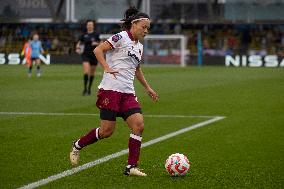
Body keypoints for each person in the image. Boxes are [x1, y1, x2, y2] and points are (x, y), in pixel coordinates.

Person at [70, 7, 158, 176]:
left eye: (148, 28)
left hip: (128, 93)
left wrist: (148, 87)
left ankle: (131, 167)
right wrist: (106, 67)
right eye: (144, 27)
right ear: (134, 24)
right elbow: (98, 50)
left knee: (138, 126)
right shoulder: (120, 37)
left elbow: (137, 69)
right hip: (110, 90)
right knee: (106, 131)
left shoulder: (139, 47)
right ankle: (77, 145)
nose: (146, 30)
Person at [76, 20, 100, 96]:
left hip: (94, 55)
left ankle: (89, 88)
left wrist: (96, 43)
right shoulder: (84, 34)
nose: (89, 26)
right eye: (88, 24)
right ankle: (85, 89)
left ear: (93, 26)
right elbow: (79, 42)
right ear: (87, 26)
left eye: (91, 24)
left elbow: (101, 43)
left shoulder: (96, 34)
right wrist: (77, 47)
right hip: (85, 54)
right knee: (86, 72)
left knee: (92, 74)